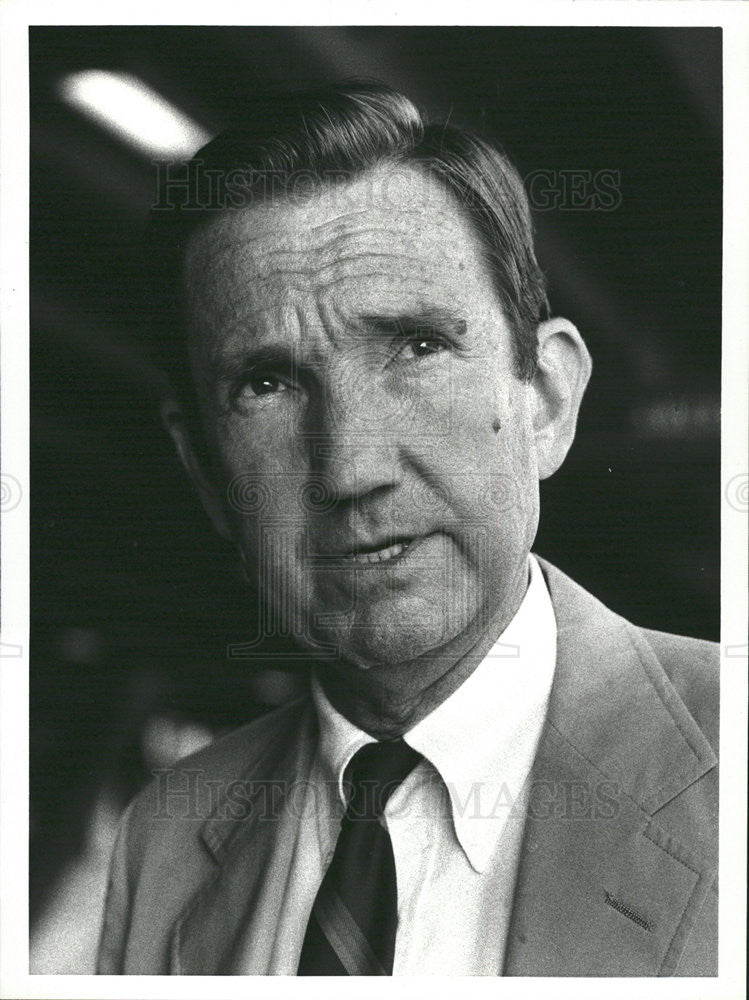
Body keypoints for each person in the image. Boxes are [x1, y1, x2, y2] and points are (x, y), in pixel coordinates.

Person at [96, 82, 718, 976]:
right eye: (266, 385)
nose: (349, 470)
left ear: (545, 397)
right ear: (203, 470)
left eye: (416, 347)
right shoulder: (164, 834)